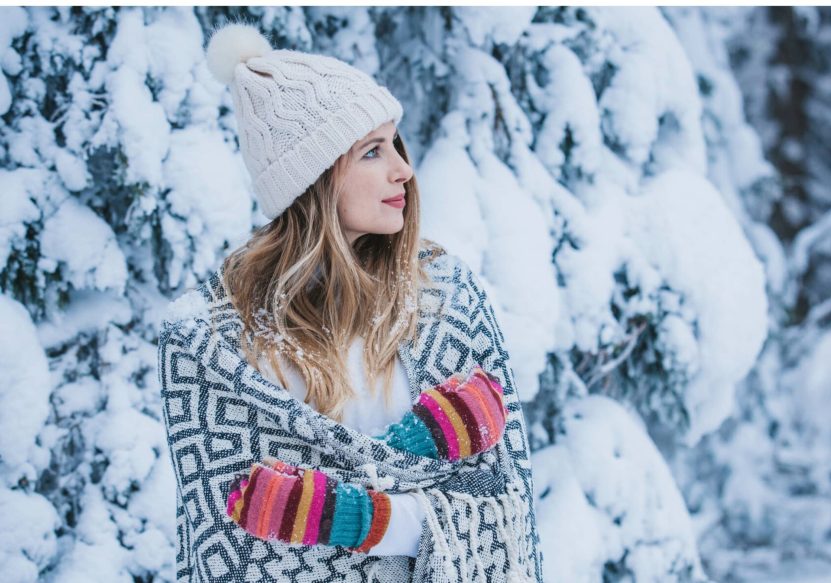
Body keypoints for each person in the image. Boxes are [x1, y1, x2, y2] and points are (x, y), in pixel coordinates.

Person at [158, 22, 543, 583]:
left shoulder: (444, 302)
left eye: (396, 145)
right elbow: (233, 541)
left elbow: (502, 501)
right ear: (312, 181)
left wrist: (355, 517)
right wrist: (408, 481)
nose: (403, 171)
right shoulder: (212, 342)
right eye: (371, 151)